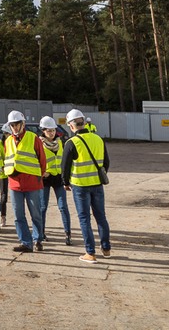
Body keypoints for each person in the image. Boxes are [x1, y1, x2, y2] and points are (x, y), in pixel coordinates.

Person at [62, 108, 112, 263]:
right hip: (97, 185)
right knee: (101, 216)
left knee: (85, 219)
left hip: (80, 186)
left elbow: (65, 167)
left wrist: (65, 183)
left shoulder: (71, 143)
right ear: (83, 122)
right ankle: (106, 247)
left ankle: (90, 253)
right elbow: (106, 163)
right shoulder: (98, 139)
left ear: (71, 126)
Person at [4, 110, 46, 253]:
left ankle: (38, 239)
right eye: (12, 125)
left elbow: (42, 160)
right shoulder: (8, 141)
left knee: (35, 214)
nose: (15, 127)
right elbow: (7, 159)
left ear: (23, 124)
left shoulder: (33, 138)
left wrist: (39, 177)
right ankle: (26, 242)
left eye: (17, 124)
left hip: (32, 183)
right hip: (15, 184)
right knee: (18, 216)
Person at [38, 116, 72, 246]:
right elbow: (35, 160)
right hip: (45, 179)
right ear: (43, 131)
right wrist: (42, 172)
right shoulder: (39, 144)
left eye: (53, 130)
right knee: (42, 207)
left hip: (59, 179)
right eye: (48, 131)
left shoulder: (61, 142)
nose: (51, 133)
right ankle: (41, 233)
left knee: (63, 207)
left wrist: (66, 177)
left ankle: (68, 234)